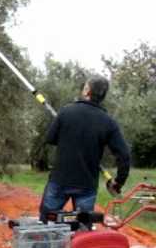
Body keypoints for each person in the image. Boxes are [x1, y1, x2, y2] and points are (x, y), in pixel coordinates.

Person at [39, 76, 130, 223]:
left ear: (87, 90)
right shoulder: (108, 122)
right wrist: (118, 182)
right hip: (87, 185)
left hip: (59, 180)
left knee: (47, 222)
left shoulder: (66, 112)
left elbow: (50, 139)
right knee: (83, 225)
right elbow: (124, 156)